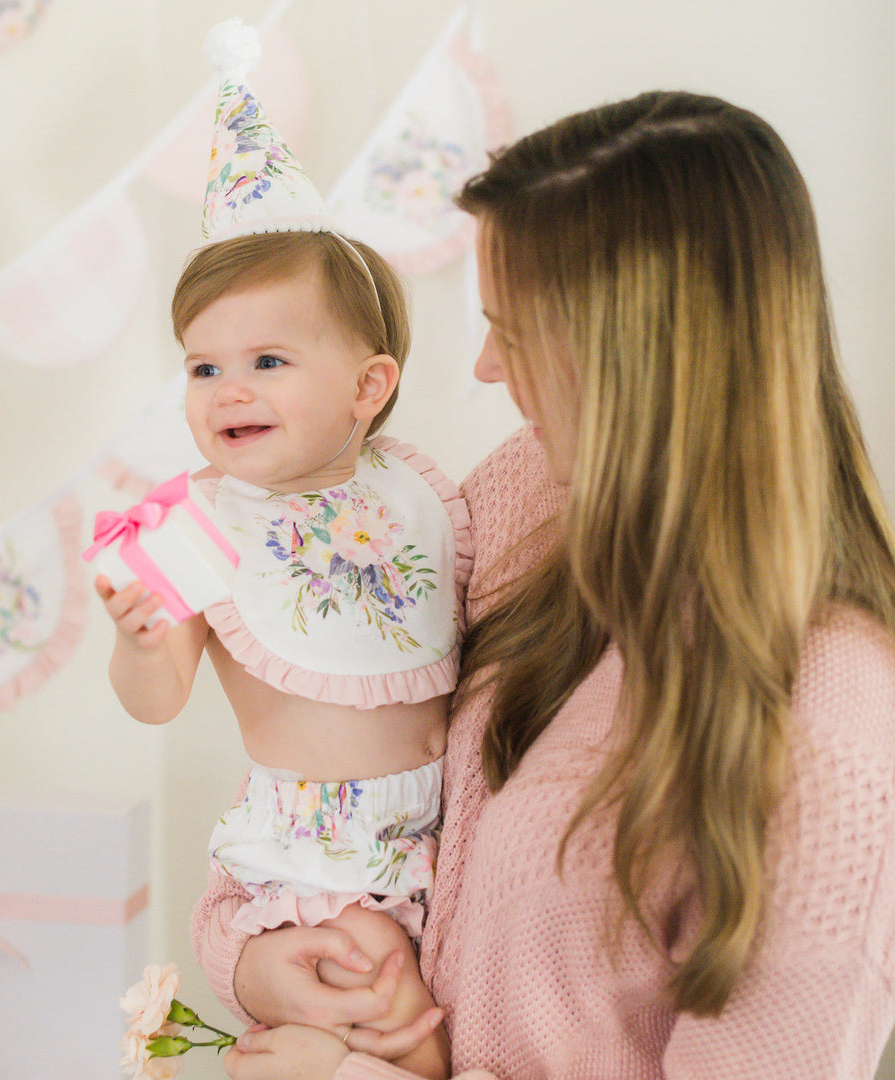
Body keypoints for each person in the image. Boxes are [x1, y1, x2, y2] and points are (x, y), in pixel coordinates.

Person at [192, 90, 895, 1080]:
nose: (484, 368)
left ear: (636, 357)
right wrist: (259, 961)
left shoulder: (834, 719)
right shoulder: (526, 502)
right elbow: (327, 792)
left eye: (511, 330)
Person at [94, 19, 462, 1080]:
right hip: (303, 855)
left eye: (264, 358)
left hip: (435, 840)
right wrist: (142, 637)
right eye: (201, 369)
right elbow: (158, 698)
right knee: (345, 1032)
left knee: (419, 1036)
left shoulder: (420, 496)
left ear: (367, 387)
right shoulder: (193, 522)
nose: (227, 390)